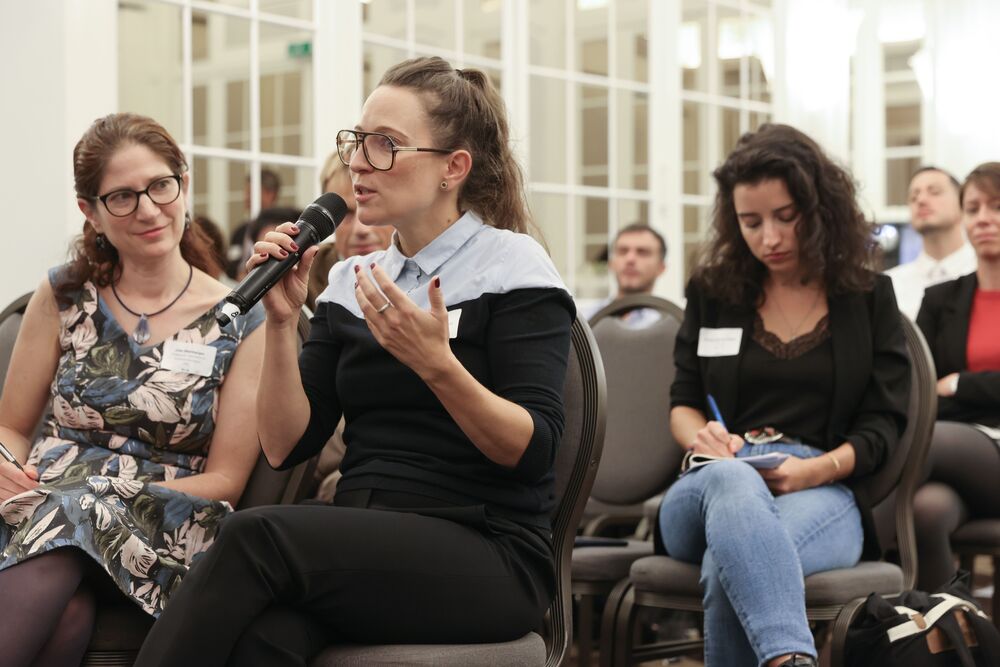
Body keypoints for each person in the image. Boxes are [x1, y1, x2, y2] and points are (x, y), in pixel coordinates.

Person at [135, 56, 575, 666]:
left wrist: (437, 365)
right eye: (357, 141)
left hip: (489, 549)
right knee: (263, 643)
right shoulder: (350, 279)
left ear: (454, 167)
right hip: (364, 537)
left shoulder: (512, 266)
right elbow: (288, 444)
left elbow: (532, 452)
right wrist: (284, 322)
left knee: (254, 533)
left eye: (386, 145)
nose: (358, 162)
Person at [0, 113, 265, 666]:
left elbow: (228, 481)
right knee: (67, 612)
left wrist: (92, 492)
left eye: (160, 186)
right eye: (121, 196)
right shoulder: (64, 294)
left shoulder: (241, 316)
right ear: (90, 211)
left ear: (183, 184)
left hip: (164, 522)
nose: (147, 209)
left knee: (76, 507)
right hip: (46, 507)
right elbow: (12, 426)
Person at [660, 124, 910, 667]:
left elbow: (884, 426)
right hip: (713, 475)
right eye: (750, 222)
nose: (768, 237)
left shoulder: (867, 297)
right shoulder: (714, 290)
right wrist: (701, 436)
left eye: (784, 217)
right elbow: (683, 398)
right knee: (732, 481)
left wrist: (814, 471)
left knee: (728, 567)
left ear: (818, 209)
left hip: (822, 484)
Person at [913, 162, 1000, 591]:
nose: (984, 217)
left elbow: (941, 389)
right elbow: (921, 388)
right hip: (956, 453)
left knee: (920, 440)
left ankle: (845, 557)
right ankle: (954, 644)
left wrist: (961, 383)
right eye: (974, 207)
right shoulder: (939, 299)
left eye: (997, 206)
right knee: (925, 512)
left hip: (963, 445)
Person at [308, 156, 395, 501]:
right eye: (344, 213)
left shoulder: (436, 289)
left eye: (369, 205)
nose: (359, 228)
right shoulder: (300, 288)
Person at [886, 166, 976, 319]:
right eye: (913, 197)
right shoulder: (891, 285)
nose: (921, 200)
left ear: (963, 204)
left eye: (934, 192)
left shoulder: (987, 276)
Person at [584, 222, 668, 327]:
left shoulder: (671, 325)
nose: (630, 259)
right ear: (611, 263)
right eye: (622, 251)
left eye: (642, 252)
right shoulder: (583, 319)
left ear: (661, 268)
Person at [226, 169, 282, 279]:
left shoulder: (281, 230)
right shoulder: (240, 231)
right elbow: (229, 263)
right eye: (246, 192)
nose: (246, 197)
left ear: (270, 194)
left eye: (250, 193)